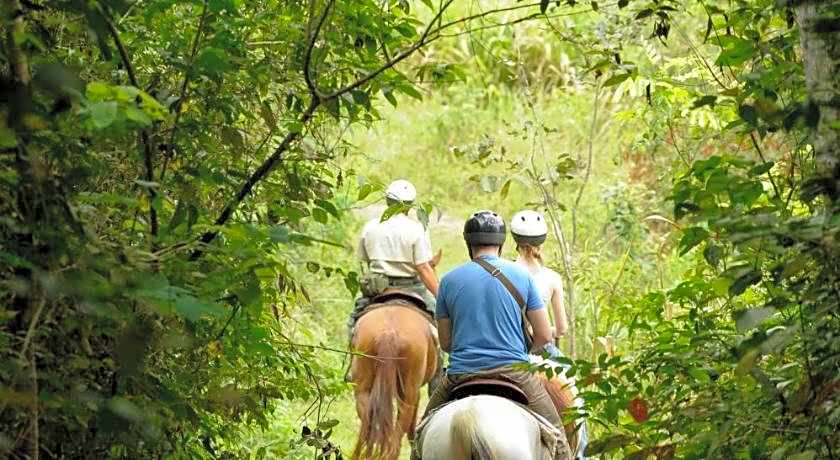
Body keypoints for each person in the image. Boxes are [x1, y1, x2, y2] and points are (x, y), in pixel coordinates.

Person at [422, 210, 564, 432]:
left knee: (422, 432)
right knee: (558, 434)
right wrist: (521, 352)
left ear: (469, 243)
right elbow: (545, 336)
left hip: (461, 373)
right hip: (514, 371)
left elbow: (447, 343)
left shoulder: (448, 281)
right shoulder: (523, 277)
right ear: (501, 243)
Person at [348, 179, 439, 334]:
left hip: (378, 287)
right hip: (412, 287)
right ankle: (439, 355)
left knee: (354, 321)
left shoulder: (370, 227)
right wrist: (441, 296)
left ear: (387, 201)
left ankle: (351, 350)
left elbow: (364, 259)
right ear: (410, 205)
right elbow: (424, 267)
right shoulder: (417, 229)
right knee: (437, 322)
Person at [511, 210, 568, 356]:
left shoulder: (503, 273)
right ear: (541, 243)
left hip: (509, 345)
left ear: (516, 240)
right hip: (537, 350)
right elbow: (561, 329)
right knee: (570, 375)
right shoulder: (553, 278)